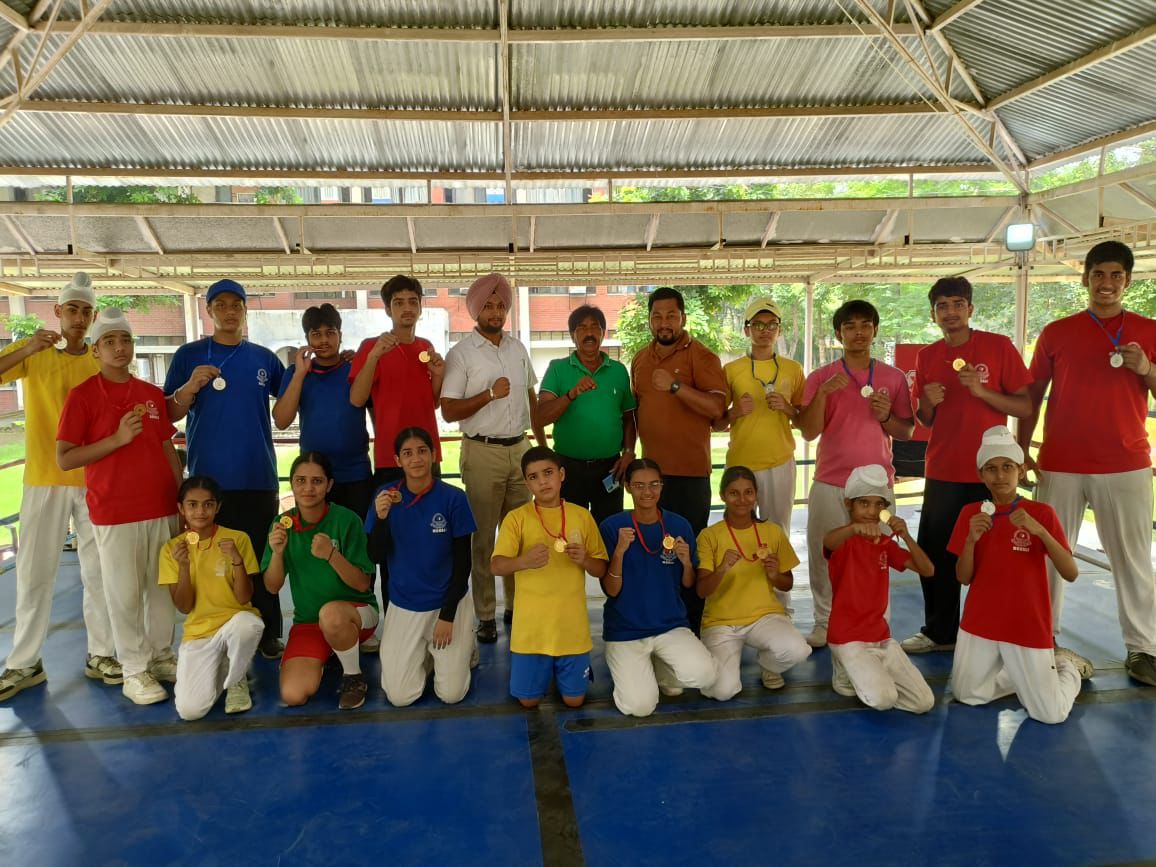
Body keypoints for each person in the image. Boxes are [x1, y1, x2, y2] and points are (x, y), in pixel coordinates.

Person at [1017, 241, 1156, 687]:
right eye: (1098, 274)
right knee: (1045, 555)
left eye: (1116, 275)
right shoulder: (1057, 332)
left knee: (1133, 558)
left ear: (1128, 281)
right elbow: (1032, 395)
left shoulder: (1149, 331)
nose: (1106, 283)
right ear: (1085, 279)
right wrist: (1021, 448)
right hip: (1060, 463)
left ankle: (1144, 648)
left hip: (1126, 462)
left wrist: (1147, 368)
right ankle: (1041, 639)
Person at [0, 273, 118, 702]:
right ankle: (24, 662)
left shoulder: (100, 360)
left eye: (86, 312)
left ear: (93, 317)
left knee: (99, 572)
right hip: (44, 480)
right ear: (57, 312)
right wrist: (26, 348)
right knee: (34, 573)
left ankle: (101, 653)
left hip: (92, 480)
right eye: (72, 310)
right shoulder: (34, 353)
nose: (79, 318)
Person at [56, 308, 181, 705]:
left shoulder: (150, 394)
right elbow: (65, 457)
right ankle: (133, 668)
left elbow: (166, 446)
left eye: (125, 340)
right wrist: (116, 440)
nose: (119, 348)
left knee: (162, 591)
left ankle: (161, 655)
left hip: (161, 506)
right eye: (109, 342)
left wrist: (180, 497)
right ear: (96, 350)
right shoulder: (82, 396)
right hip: (114, 511)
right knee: (123, 594)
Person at [902, 277, 1032, 655]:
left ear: (970, 309)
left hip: (993, 474)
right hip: (943, 469)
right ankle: (940, 632)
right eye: (942, 306)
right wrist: (927, 402)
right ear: (933, 314)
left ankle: (996, 631)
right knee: (937, 553)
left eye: (958, 304)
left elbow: (1024, 406)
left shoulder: (998, 346)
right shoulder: (927, 356)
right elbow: (924, 420)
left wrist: (981, 391)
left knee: (997, 553)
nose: (951, 312)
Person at [164, 279, 286, 659]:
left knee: (259, 558)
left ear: (245, 310)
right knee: (211, 561)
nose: (229, 312)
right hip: (208, 483)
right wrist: (188, 387)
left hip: (257, 475)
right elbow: (167, 412)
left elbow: (291, 399)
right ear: (209, 310)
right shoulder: (188, 354)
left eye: (236, 305)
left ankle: (267, 631)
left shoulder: (264, 358)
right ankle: (215, 628)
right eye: (221, 305)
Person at [949, 426, 1093, 724]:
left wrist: (1040, 532)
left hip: (1026, 623)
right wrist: (971, 540)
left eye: (1007, 467)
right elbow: (963, 577)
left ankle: (1065, 667)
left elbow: (1071, 573)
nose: (1000, 475)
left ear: (1021, 470)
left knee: (1050, 714)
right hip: (981, 621)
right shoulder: (971, 514)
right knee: (968, 695)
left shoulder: (1041, 513)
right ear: (981, 475)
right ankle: (1020, 676)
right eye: (991, 468)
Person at [797, 300, 914, 648]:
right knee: (825, 553)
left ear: (875, 330)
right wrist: (822, 394)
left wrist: (885, 416)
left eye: (865, 325)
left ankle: (876, 625)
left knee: (877, 556)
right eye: (850, 326)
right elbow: (808, 432)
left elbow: (906, 431)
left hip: (876, 487)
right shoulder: (821, 377)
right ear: (839, 334)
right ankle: (825, 622)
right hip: (830, 480)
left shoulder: (893, 377)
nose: (858, 332)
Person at [441, 272, 547, 644]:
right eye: (488, 305)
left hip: (520, 450)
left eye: (501, 305)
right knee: (483, 539)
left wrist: (539, 446)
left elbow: (531, 399)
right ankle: (485, 614)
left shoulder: (518, 349)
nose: (496, 312)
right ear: (475, 310)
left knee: (520, 535)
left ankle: (517, 608)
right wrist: (488, 394)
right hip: (482, 451)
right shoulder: (461, 353)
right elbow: (448, 410)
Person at [630, 286, 727, 634]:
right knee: (654, 551)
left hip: (689, 475)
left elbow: (717, 408)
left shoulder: (702, 356)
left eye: (671, 315)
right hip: (650, 479)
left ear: (683, 318)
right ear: (650, 320)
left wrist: (675, 386)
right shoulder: (640, 359)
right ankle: (658, 622)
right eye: (657, 316)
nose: (664, 322)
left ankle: (690, 626)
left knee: (688, 552)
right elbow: (635, 413)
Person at [367, 428, 477, 706]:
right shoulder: (385, 497)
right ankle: (429, 654)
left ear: (434, 454)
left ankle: (465, 641)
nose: (415, 459)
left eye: (422, 451)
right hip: (406, 604)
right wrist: (381, 519)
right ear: (397, 460)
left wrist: (448, 616)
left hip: (447, 602)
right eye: (407, 453)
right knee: (400, 696)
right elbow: (375, 556)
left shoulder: (453, 498)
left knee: (451, 694)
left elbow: (464, 563)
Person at [491, 446, 608, 708]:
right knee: (528, 702)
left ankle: (561, 673)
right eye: (533, 477)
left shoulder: (582, 515)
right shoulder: (517, 518)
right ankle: (544, 671)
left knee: (575, 700)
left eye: (548, 473)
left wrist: (585, 559)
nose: (543, 481)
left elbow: (601, 569)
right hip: (531, 631)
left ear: (561, 475)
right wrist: (523, 561)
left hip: (571, 629)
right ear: (526, 483)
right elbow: (496, 566)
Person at [599, 458, 717, 717]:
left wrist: (686, 562)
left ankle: (661, 667)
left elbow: (688, 584)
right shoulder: (612, 527)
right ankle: (632, 670)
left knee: (705, 676)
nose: (647, 492)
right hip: (626, 630)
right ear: (628, 487)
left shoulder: (679, 525)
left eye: (654, 484)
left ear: (662, 486)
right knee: (640, 707)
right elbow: (611, 590)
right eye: (639, 485)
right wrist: (619, 552)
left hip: (669, 624)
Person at [262, 452, 379, 711]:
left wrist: (331, 555)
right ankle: (332, 650)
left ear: (329, 485)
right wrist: (278, 554)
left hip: (356, 614)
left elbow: (363, 584)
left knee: (332, 615)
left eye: (317, 481)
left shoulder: (347, 520)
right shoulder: (282, 525)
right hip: (309, 622)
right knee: (293, 694)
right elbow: (272, 586)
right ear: (292, 484)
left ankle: (353, 677)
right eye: (300, 480)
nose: (308, 488)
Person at [823, 464, 935, 714]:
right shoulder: (843, 540)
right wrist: (854, 529)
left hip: (881, 637)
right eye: (864, 504)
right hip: (847, 636)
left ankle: (871, 670)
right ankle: (844, 664)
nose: (872, 512)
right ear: (849, 504)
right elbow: (828, 541)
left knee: (923, 703)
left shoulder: (885, 544)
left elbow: (927, 570)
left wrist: (906, 536)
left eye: (878, 505)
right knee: (884, 700)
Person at [696, 466, 811, 700]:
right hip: (722, 622)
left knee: (798, 650)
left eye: (748, 492)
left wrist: (775, 575)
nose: (742, 499)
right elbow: (701, 590)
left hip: (764, 616)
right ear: (723, 496)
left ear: (756, 494)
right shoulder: (709, 536)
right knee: (722, 691)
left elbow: (787, 583)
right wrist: (722, 569)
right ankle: (722, 664)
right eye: (734, 493)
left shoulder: (772, 532)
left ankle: (769, 664)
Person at [160, 476, 264, 719]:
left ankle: (237, 680)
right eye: (192, 504)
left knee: (248, 625)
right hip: (199, 633)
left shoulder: (238, 539)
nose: (200, 511)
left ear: (218, 507)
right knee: (190, 711)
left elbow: (244, 598)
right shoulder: (172, 550)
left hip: (235, 623)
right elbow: (184, 607)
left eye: (208, 504)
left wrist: (237, 560)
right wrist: (183, 567)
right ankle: (225, 666)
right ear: (181, 508)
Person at [538, 304, 637, 525]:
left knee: (610, 528)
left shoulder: (619, 370)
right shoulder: (557, 368)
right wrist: (571, 394)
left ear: (603, 333)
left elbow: (629, 418)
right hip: (568, 468)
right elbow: (542, 416)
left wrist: (629, 452)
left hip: (610, 468)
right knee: (571, 528)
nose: (589, 332)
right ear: (573, 335)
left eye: (595, 327)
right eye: (581, 327)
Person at [274, 303, 373, 521]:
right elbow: (281, 421)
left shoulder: (356, 369)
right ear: (307, 339)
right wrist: (300, 375)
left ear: (340, 335)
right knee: (314, 538)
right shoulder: (295, 373)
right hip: (313, 479)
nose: (324, 340)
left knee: (357, 536)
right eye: (316, 334)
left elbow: (376, 415)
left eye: (330, 333)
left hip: (355, 474)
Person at [349, 274, 445, 489]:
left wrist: (438, 375)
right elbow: (356, 399)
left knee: (433, 510)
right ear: (387, 309)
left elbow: (434, 403)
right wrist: (373, 357)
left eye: (413, 301)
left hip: (427, 451)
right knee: (391, 510)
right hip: (390, 455)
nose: (407, 308)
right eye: (399, 303)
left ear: (420, 307)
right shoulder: (371, 347)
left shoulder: (426, 347)